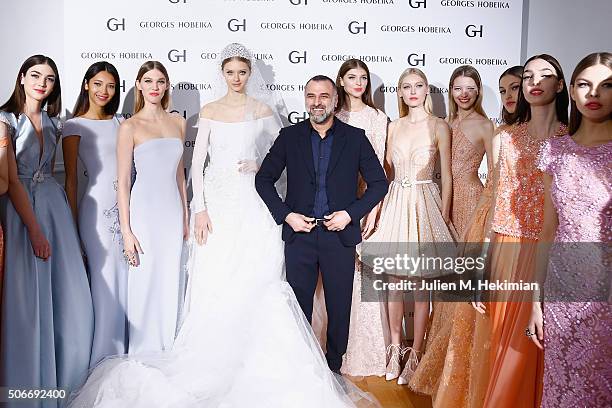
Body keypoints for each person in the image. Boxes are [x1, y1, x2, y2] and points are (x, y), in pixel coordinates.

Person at [68, 44, 377, 408]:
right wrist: (199, 209)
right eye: (230, 72)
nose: (236, 78)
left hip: (253, 206)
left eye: (242, 72)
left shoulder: (264, 112)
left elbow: (282, 163)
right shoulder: (208, 112)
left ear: (249, 75)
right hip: (217, 205)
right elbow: (194, 167)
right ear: (222, 74)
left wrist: (258, 165)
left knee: (258, 273)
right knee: (217, 276)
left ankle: (282, 358)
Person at [256, 72, 388, 375]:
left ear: (335, 99)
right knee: (298, 307)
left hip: (338, 236)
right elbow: (263, 179)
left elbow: (379, 183)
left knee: (339, 307)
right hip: (299, 235)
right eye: (311, 96)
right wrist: (286, 214)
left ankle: (334, 368)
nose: (317, 103)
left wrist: (350, 214)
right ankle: (300, 367)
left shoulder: (355, 138)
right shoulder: (290, 137)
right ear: (305, 100)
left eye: (324, 96)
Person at [474, 54, 569, 408]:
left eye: (545, 75)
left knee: (541, 346)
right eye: (528, 75)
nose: (534, 81)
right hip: (507, 250)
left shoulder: (571, 141)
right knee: (507, 347)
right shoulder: (505, 139)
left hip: (553, 253)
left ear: (560, 85)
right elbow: (497, 205)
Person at [0, 55, 93, 406]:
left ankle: (65, 388)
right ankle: (26, 392)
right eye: (36, 75)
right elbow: (10, 183)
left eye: (50, 78)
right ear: (21, 77)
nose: (42, 83)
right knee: (27, 303)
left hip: (55, 210)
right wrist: (35, 230)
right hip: (21, 213)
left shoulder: (57, 122)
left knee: (72, 301)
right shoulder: (5, 119)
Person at [362, 68, 457, 385]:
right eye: (406, 86)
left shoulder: (439, 126)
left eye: (418, 85)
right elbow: (384, 174)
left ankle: (416, 353)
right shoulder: (394, 127)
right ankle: (394, 349)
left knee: (421, 283)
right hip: (395, 203)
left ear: (427, 89)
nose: (413, 91)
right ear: (400, 92)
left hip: (425, 203)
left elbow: (447, 175)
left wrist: (444, 215)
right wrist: (375, 212)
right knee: (394, 280)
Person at [527, 52, 612, 408]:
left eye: (607, 85)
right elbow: (548, 230)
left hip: (605, 290)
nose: (594, 93)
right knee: (562, 384)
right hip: (561, 287)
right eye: (584, 84)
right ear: (572, 93)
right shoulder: (555, 150)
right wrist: (535, 300)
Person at [311, 58, 390, 377]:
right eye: (352, 77)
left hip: (362, 207)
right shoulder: (331, 114)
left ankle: (355, 351)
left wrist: (372, 210)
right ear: (340, 82)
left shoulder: (377, 118)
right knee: (324, 282)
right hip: (329, 207)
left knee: (359, 276)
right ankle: (318, 348)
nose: (358, 82)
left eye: (363, 77)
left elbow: (380, 171)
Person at [117, 60, 188, 354]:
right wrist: (127, 232)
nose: (154, 87)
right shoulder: (129, 126)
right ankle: (144, 350)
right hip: (143, 212)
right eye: (148, 81)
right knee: (145, 279)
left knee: (171, 276)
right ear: (139, 86)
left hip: (172, 212)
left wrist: (185, 217)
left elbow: (180, 176)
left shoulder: (179, 123)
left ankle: (169, 346)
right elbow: (122, 182)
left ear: (167, 86)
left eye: (160, 81)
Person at [63, 61, 129, 366]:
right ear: (87, 84)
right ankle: (103, 358)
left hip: (127, 211)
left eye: (111, 86)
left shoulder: (120, 122)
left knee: (127, 279)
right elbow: (72, 180)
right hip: (96, 213)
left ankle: (127, 351)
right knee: (104, 283)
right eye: (98, 83)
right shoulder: (74, 125)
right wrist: (73, 228)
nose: (104, 91)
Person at [447, 65, 494, 236]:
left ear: (478, 92)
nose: (464, 94)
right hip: (445, 199)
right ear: (451, 91)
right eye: (458, 88)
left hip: (472, 199)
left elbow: (493, 173)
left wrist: (486, 208)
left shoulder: (485, 125)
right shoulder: (445, 123)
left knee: (468, 257)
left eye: (470, 89)